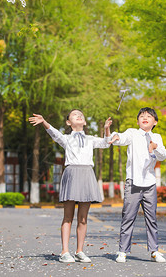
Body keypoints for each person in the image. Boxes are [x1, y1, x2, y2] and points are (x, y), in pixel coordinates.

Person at [29, 110, 112, 263]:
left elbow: (106, 143)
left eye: (81, 114)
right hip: (72, 173)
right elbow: (55, 134)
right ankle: (64, 251)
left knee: (83, 218)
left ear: (85, 122)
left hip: (87, 173)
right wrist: (44, 121)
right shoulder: (66, 139)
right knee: (68, 217)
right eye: (74, 115)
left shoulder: (90, 139)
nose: (79, 115)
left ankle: (80, 251)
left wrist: (106, 128)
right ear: (68, 122)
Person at [108, 107, 166, 263]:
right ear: (137, 121)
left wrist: (155, 147)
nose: (145, 118)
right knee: (128, 217)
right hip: (133, 182)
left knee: (152, 218)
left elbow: (163, 155)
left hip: (149, 183)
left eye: (149, 116)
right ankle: (122, 251)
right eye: (142, 116)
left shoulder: (157, 137)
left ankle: (154, 251)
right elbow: (120, 138)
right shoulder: (132, 133)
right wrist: (111, 134)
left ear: (155, 122)